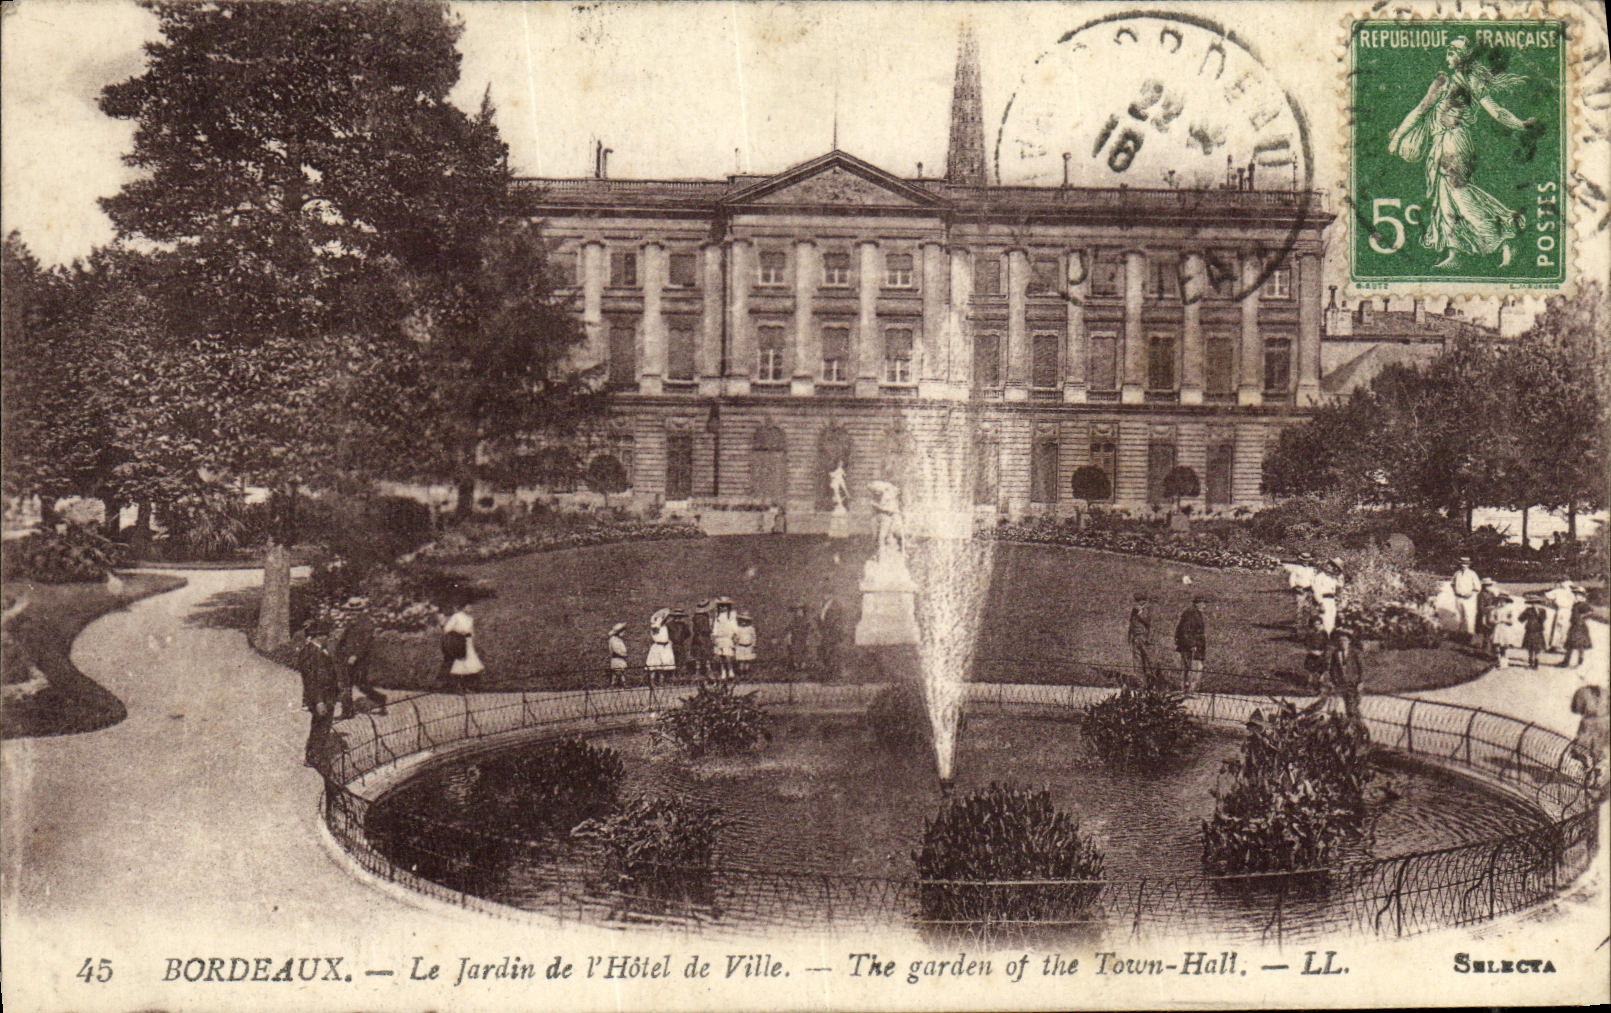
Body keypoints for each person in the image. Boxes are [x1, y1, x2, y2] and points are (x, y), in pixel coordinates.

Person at [1387, 36, 1534, 270]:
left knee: (1461, 198)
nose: (1449, 54)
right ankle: (1455, 251)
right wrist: (1397, 137)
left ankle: (1505, 239)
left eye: (1454, 50)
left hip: (1456, 143)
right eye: (1448, 50)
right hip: (1439, 145)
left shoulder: (1473, 81)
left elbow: (1495, 111)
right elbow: (1420, 110)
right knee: (1444, 201)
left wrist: (1521, 125)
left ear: (1465, 56)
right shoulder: (1441, 82)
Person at [295, 626, 339, 768]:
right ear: (319, 636)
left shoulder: (315, 650)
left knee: (321, 726)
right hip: (321, 697)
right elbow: (312, 680)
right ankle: (314, 757)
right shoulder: (312, 652)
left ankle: (314, 755)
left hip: (325, 696)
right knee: (321, 726)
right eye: (326, 635)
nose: (328, 638)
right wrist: (319, 701)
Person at [332, 604, 387, 718]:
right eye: (351, 611)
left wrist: (356, 655)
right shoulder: (350, 624)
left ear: (361, 611)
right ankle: (347, 711)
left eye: (355, 611)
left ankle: (380, 699)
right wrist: (337, 653)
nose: (352, 613)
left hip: (360, 661)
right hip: (347, 659)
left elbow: (366, 643)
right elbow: (343, 640)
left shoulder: (366, 624)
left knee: (361, 685)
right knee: (346, 685)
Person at [1326, 627, 1365, 722]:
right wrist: (1333, 680)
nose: (1342, 642)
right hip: (1340, 684)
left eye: (1344, 640)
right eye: (1340, 641)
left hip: (1353, 684)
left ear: (1349, 641)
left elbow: (1362, 669)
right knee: (1333, 706)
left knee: (1352, 707)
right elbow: (1332, 669)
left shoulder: (1355, 653)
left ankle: (1358, 725)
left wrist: (1360, 682)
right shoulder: (1335, 653)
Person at [441, 598, 484, 685]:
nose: (470, 608)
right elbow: (447, 629)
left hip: (468, 642)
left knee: (470, 662)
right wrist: (459, 632)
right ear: (463, 607)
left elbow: (471, 632)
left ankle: (468, 684)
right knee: (458, 662)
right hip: (458, 641)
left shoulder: (470, 618)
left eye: (471, 606)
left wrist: (472, 641)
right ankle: (453, 684)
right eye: (468, 606)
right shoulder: (457, 616)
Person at [1568, 684, 1608, 767]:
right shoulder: (1605, 693)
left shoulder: (1582, 691)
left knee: (1581, 750)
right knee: (1598, 755)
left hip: (1592, 725)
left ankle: (1588, 768)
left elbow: (1576, 708)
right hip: (1603, 724)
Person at [1174, 596, 1207, 693]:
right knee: (1195, 668)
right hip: (1191, 646)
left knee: (1189, 668)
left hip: (1193, 645)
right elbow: (1184, 631)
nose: (1205, 606)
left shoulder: (1194, 613)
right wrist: (1192, 645)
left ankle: (1187, 689)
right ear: (1197, 604)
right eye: (1203, 603)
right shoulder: (1191, 614)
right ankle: (1190, 691)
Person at [1449, 556, 1482, 642]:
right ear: (1460, 564)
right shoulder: (1457, 573)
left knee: (1469, 616)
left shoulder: (1472, 574)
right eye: (1462, 563)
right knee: (1460, 616)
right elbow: (1452, 583)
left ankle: (1469, 636)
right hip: (1459, 598)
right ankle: (1460, 635)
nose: (1463, 565)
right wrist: (1455, 591)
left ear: (1468, 565)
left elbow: (1477, 587)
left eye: (1465, 564)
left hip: (1469, 599)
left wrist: (1470, 593)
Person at [1126, 593, 1154, 689]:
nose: (1137, 603)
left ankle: (1154, 682)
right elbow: (1131, 623)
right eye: (1137, 601)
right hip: (1135, 638)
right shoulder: (1135, 610)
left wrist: (1140, 613)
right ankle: (1141, 684)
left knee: (1149, 661)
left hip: (1144, 638)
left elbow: (1148, 622)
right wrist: (1129, 636)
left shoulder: (1147, 610)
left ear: (1144, 601)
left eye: (1139, 601)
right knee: (1137, 662)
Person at [1310, 558, 1343, 636]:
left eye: (1333, 566)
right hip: (1324, 600)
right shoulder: (1320, 577)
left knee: (1332, 619)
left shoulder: (1332, 578)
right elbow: (1316, 590)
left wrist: (1339, 574)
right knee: (1325, 619)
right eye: (1329, 565)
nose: (1329, 567)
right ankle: (1323, 639)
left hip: (1331, 601)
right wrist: (1320, 603)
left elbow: (1340, 585)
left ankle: (1329, 638)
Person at [645, 608, 677, 686]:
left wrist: (668, 641)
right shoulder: (655, 627)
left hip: (665, 647)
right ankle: (652, 682)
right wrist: (658, 621)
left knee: (663, 666)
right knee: (654, 665)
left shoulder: (664, 627)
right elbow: (655, 629)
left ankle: (661, 682)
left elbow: (665, 635)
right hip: (657, 647)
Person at [1561, 591, 1593, 669]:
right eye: (1576, 595)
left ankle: (1580, 662)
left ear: (1582, 597)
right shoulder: (1575, 604)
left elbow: (1591, 612)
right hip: (1574, 626)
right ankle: (1566, 661)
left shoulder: (1584, 605)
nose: (1576, 597)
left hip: (1580, 627)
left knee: (1580, 644)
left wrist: (1582, 617)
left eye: (1578, 595)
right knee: (1570, 644)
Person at [1490, 593, 1523, 668]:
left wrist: (1504, 620)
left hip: (1505, 628)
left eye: (1503, 601)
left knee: (1504, 646)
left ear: (1506, 601)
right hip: (1497, 628)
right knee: (1496, 645)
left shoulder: (1509, 610)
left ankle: (1504, 662)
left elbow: (1511, 621)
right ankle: (1498, 661)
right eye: (1500, 601)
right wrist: (1495, 621)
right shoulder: (1496, 609)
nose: (1501, 603)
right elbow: (1491, 619)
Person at [1545, 578, 1577, 654]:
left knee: (1559, 627)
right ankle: (1558, 645)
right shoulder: (1573, 593)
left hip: (1562, 611)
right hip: (1568, 611)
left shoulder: (1558, 591)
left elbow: (1547, 595)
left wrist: (1552, 603)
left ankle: (1557, 645)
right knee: (1563, 628)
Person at [1286, 552, 1317, 631]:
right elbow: (1292, 579)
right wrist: (1295, 587)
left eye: (1307, 561)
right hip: (1300, 590)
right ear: (1301, 561)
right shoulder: (1297, 569)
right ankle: (1298, 625)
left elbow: (1313, 579)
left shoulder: (1311, 569)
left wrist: (1313, 588)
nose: (1306, 562)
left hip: (1309, 590)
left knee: (1308, 608)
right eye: (1304, 561)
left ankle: (1306, 624)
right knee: (1299, 608)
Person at [711, 598, 739, 680]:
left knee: (728, 655)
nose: (723, 608)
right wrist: (714, 635)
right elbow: (715, 627)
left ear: (728, 607)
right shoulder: (717, 616)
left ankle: (730, 670)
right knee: (721, 656)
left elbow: (734, 625)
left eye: (725, 606)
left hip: (727, 638)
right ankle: (723, 671)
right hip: (720, 638)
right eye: (721, 606)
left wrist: (735, 633)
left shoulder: (731, 615)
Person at [1519, 595, 1549, 669]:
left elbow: (1543, 620)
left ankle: (1536, 661)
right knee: (1530, 647)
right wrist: (1523, 615)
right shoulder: (1528, 610)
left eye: (1537, 603)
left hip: (1538, 630)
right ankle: (1530, 661)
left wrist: (1538, 612)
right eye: (1533, 603)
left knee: (1537, 647)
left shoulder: (1542, 611)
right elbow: (1521, 619)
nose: (1535, 604)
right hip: (1530, 630)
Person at [1475, 577, 1500, 659]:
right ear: (1484, 586)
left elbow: (1496, 603)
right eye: (1488, 586)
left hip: (1491, 616)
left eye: (1490, 585)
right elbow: (1480, 608)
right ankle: (1486, 653)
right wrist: (1490, 608)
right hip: (1484, 617)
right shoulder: (1481, 595)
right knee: (1486, 635)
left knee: (1491, 634)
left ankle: (1490, 652)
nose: (1489, 587)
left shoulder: (1491, 594)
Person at [689, 600, 714, 678]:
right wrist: (709, 630)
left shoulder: (704, 616)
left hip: (703, 637)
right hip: (702, 637)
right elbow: (701, 629)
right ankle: (701, 672)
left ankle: (705, 671)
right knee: (701, 655)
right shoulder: (700, 617)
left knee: (703, 656)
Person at [785, 602, 812, 672]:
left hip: (803, 638)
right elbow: (789, 629)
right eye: (797, 611)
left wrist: (807, 638)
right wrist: (789, 638)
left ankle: (803, 664)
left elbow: (808, 630)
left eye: (800, 611)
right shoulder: (793, 621)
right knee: (794, 650)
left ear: (803, 612)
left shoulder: (806, 621)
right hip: (795, 638)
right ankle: (795, 664)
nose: (799, 612)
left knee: (804, 650)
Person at [666, 608, 691, 674]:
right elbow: (666, 634)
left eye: (680, 617)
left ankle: (680, 674)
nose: (678, 618)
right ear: (674, 617)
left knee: (681, 659)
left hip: (680, 645)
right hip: (671, 645)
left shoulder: (684, 625)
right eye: (677, 616)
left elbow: (688, 634)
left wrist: (682, 639)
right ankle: (671, 674)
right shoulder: (669, 624)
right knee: (672, 660)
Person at [734, 612, 757, 679]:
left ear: (748, 621)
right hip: (740, 646)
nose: (743, 623)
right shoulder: (738, 628)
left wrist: (753, 645)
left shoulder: (751, 628)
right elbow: (736, 637)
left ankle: (746, 673)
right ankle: (741, 674)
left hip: (748, 646)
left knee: (747, 661)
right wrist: (735, 644)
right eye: (742, 620)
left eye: (746, 621)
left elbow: (754, 637)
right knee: (741, 661)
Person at [607, 622, 629, 687]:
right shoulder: (613, 640)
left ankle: (618, 683)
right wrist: (622, 654)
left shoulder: (619, 640)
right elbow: (615, 649)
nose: (624, 633)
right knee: (617, 671)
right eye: (623, 632)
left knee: (620, 671)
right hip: (617, 658)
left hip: (621, 658)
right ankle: (615, 684)